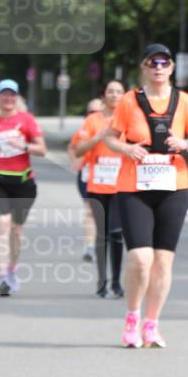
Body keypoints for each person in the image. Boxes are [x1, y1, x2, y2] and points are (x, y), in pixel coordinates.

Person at [105, 44, 188, 347]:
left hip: (173, 187)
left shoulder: (184, 102)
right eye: (153, 63)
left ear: (172, 68)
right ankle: (132, 316)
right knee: (140, 259)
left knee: (163, 262)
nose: (159, 68)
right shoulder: (129, 101)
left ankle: (152, 324)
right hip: (134, 187)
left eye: (164, 63)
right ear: (144, 68)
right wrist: (127, 148)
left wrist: (185, 144)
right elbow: (111, 139)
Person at [0, 79, 46, 297]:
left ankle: (12, 268)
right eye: (4, 94)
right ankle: (2, 275)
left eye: (12, 95)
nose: (8, 98)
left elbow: (42, 149)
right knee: (0, 224)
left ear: (17, 98)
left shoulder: (26, 120)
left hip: (23, 184)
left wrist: (24, 145)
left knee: (16, 231)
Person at [73, 81, 126, 298]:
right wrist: (97, 137)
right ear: (104, 95)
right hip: (97, 185)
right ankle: (102, 281)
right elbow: (78, 150)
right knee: (102, 234)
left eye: (119, 92)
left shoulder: (129, 118)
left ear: (124, 96)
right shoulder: (93, 120)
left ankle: (116, 282)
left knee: (116, 233)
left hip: (121, 184)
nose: (114, 95)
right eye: (110, 91)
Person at [68, 98, 104, 264]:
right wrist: (74, 161)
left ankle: (106, 242)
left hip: (110, 173)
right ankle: (90, 246)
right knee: (90, 209)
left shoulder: (113, 126)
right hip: (88, 172)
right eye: (91, 111)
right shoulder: (84, 129)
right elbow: (73, 147)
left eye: (97, 111)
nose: (94, 114)